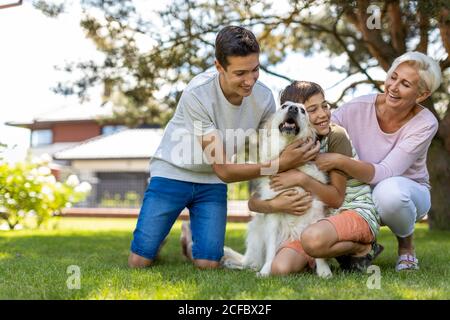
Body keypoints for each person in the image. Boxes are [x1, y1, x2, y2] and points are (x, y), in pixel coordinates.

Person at [128, 26, 318, 269]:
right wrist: (280, 165)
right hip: (173, 172)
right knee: (139, 262)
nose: (250, 80)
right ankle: (158, 234)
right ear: (219, 67)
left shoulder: (263, 98)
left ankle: (188, 238)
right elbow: (225, 170)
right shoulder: (197, 94)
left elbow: (276, 141)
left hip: (211, 184)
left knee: (208, 263)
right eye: (240, 73)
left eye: (255, 69)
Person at [314, 51, 442, 271]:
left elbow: (385, 172)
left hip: (407, 193)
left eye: (405, 84)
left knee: (388, 192)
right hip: (358, 195)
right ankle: (363, 245)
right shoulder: (358, 107)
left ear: (421, 95)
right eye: (393, 77)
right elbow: (321, 130)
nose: (393, 87)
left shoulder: (426, 123)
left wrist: (337, 159)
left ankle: (406, 247)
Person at [249, 81, 382, 275]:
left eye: (324, 106)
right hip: (320, 224)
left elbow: (336, 198)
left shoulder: (336, 135)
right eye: (312, 109)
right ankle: (319, 253)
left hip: (353, 211)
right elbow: (254, 201)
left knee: (312, 239)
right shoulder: (284, 149)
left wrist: (300, 179)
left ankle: (362, 248)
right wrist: (274, 205)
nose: (322, 114)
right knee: (280, 268)